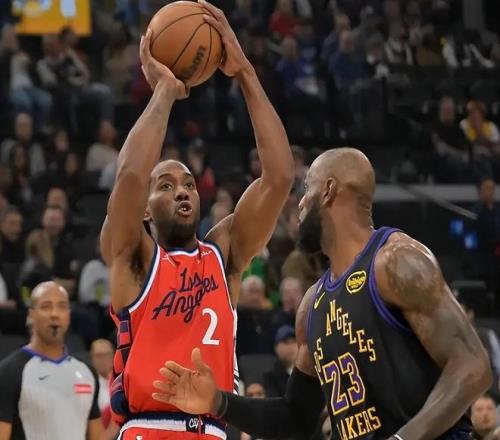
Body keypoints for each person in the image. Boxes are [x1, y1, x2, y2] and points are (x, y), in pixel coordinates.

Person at [152, 147, 492, 439]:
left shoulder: (395, 261)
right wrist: (218, 402)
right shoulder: (312, 305)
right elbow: (295, 417)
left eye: (307, 188)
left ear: (328, 191)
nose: (299, 203)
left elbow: (473, 366)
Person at [100, 1, 294, 439]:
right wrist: (165, 92)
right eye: (166, 186)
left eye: (188, 183)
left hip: (214, 429)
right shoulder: (133, 259)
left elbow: (280, 177)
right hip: (149, 427)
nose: (182, 191)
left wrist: (245, 72)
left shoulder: (223, 254)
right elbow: (130, 176)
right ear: (145, 209)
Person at [0, 281, 102, 440]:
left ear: (69, 315)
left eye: (62, 306)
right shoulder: (9, 372)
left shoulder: (86, 372)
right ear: (31, 315)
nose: (55, 314)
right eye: (46, 307)